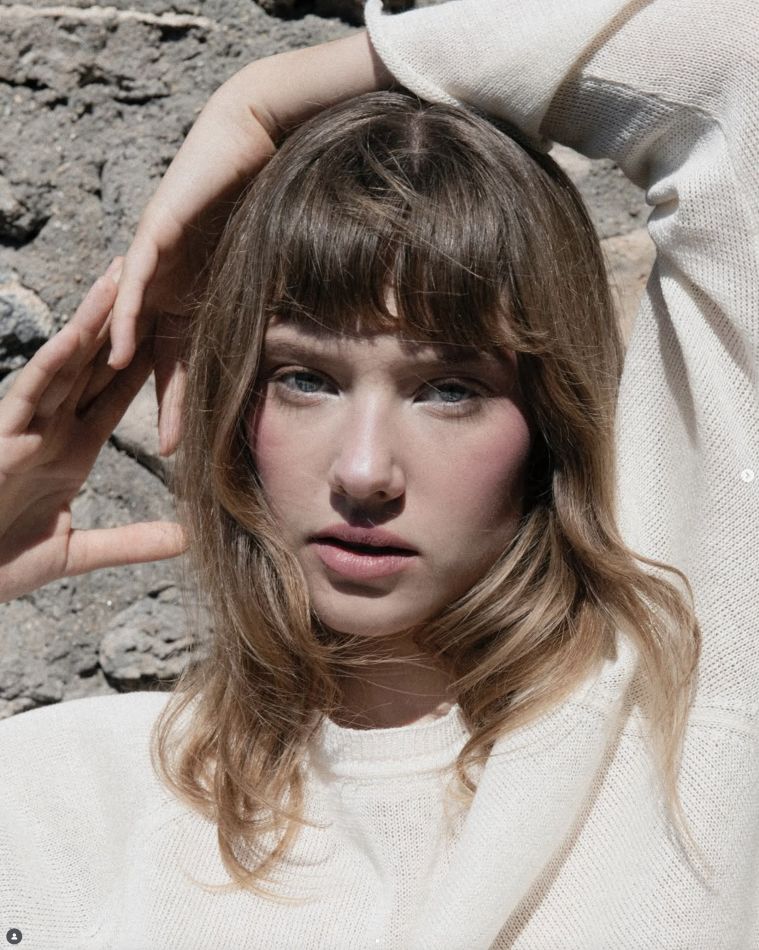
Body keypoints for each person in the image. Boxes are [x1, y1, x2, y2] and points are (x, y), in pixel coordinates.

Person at [0, 1, 756, 949]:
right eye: (305, 378)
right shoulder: (69, 799)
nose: (363, 472)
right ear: (237, 402)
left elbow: (735, 62)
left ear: (548, 419)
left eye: (449, 390)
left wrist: (264, 98)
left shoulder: (680, 714)